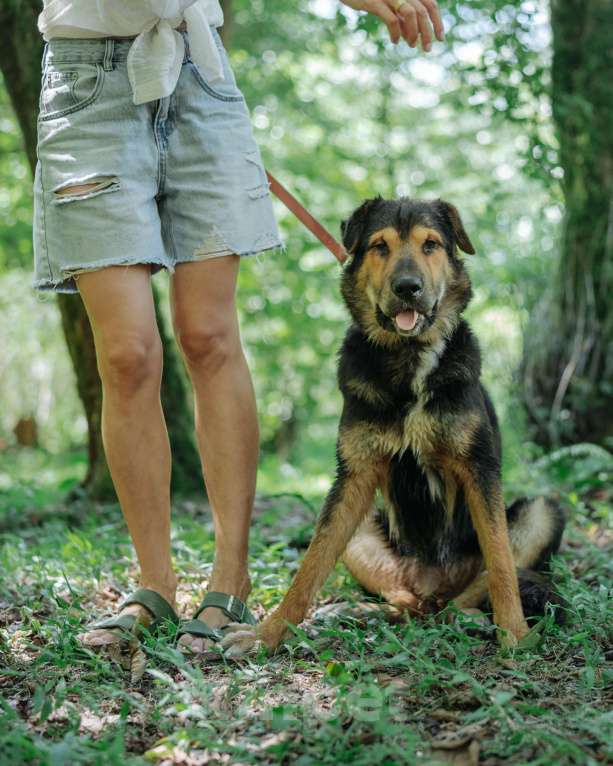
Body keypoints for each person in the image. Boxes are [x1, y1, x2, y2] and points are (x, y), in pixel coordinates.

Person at [33, 0, 444, 658]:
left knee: (209, 337)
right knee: (127, 352)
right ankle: (154, 583)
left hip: (199, 73)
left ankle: (229, 577)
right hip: (87, 84)